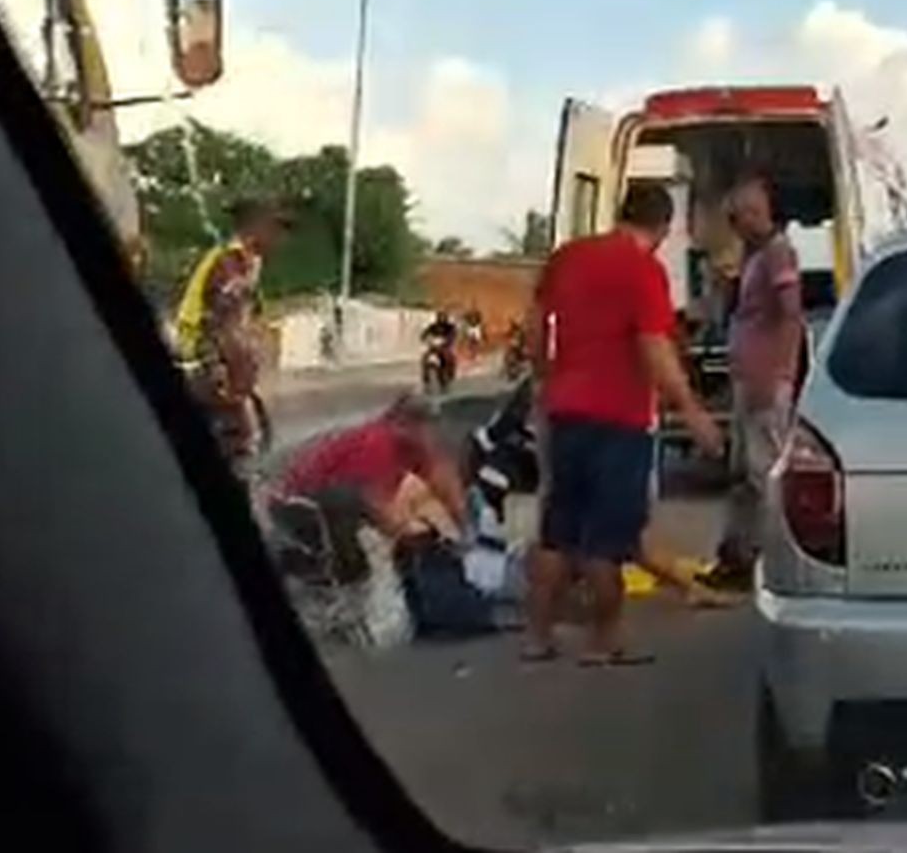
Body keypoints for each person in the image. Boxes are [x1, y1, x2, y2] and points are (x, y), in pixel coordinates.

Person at [521, 183, 725, 665]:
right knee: (606, 536)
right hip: (618, 417)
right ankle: (605, 638)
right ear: (663, 226)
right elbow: (653, 347)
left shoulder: (568, 256)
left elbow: (535, 322)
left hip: (566, 410)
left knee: (558, 529)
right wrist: (692, 411)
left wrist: (545, 377)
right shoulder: (644, 271)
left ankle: (538, 635)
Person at [273, 393, 496, 636]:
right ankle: (337, 611)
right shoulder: (379, 442)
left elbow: (443, 482)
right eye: (424, 427)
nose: (430, 435)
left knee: (404, 538)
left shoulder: (414, 444)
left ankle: (344, 600)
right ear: (402, 423)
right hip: (301, 501)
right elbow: (374, 504)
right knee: (353, 557)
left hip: (337, 498)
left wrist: (467, 532)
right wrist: (412, 535)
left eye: (431, 428)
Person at [702, 176, 804, 592]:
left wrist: (777, 373)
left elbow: (789, 315)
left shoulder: (778, 254)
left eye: (737, 215)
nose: (733, 223)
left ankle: (775, 561)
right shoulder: (755, 255)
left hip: (765, 381)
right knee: (744, 477)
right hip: (751, 379)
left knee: (765, 477)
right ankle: (738, 557)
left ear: (753, 214)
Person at [174, 197, 291, 476]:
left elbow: (246, 318)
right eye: (275, 229)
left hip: (217, 359)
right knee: (238, 437)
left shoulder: (248, 262)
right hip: (202, 358)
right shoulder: (229, 264)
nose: (281, 238)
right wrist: (225, 371)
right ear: (255, 228)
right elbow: (217, 323)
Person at [420, 309, 459, 389]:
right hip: (434, 346)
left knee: (449, 357)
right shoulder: (433, 326)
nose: (442, 319)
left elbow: (453, 334)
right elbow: (424, 333)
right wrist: (425, 338)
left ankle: (450, 372)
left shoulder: (449, 326)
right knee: (425, 357)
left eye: (443, 317)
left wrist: (448, 340)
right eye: (440, 317)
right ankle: (425, 376)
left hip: (445, 346)